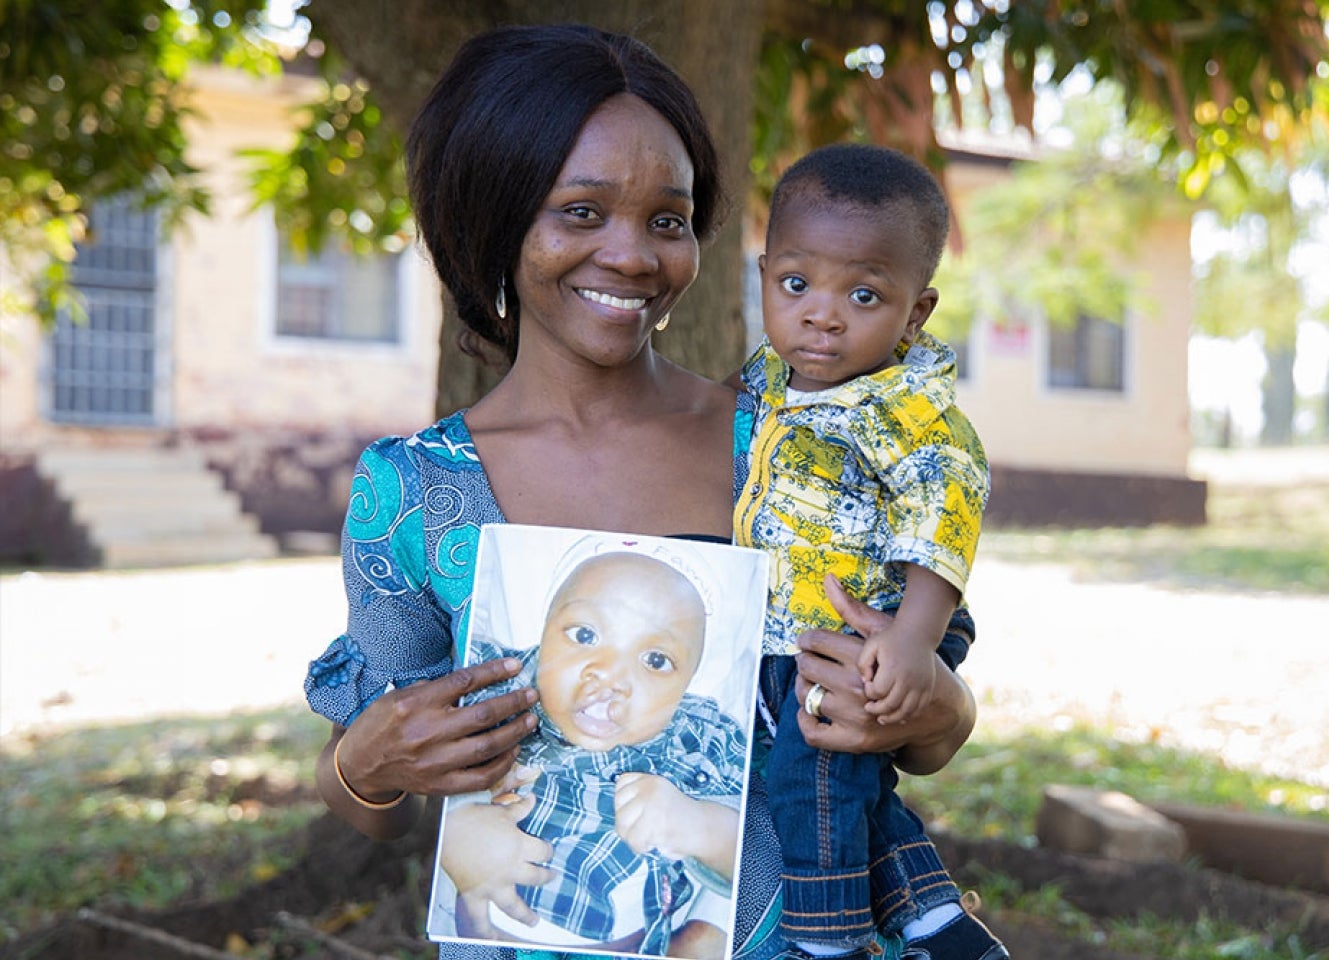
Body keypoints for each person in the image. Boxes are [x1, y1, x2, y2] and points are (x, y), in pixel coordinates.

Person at [303, 23, 983, 960]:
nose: (632, 255)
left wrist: (941, 710)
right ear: (495, 220)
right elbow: (364, 804)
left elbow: (920, 730)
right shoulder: (414, 491)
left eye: (667, 220)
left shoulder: (786, 445)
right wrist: (369, 763)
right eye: (581, 211)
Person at [733, 143, 1003, 959]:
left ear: (914, 313)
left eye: (862, 294)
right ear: (764, 277)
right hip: (805, 629)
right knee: (854, 790)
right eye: (796, 284)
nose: (822, 313)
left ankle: (827, 940)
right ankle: (939, 925)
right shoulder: (768, 383)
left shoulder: (907, 411)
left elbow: (945, 513)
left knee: (809, 782)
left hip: (881, 626)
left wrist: (912, 643)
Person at [431, 534, 751, 956]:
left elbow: (747, 848)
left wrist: (700, 826)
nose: (610, 676)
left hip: (634, 943)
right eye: (584, 634)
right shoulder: (500, 690)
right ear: (542, 637)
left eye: (656, 660)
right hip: (482, 934)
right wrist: (459, 822)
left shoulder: (695, 737)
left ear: (685, 689)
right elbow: (435, 753)